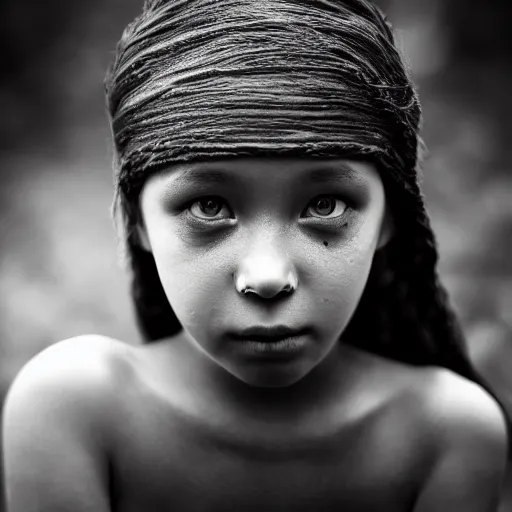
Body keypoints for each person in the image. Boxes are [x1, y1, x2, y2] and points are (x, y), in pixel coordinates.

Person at [2, 0, 510, 510]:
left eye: (325, 204)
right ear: (135, 222)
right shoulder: (78, 409)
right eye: (208, 206)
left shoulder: (445, 433)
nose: (267, 277)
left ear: (388, 218)